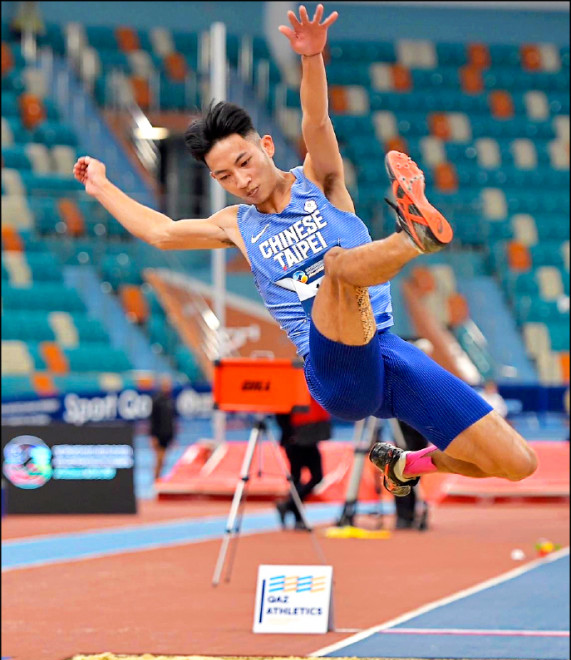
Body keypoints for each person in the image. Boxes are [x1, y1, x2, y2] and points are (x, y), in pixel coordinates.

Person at [73, 4, 537, 500]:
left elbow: (316, 119)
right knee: (337, 269)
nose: (242, 182)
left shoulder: (320, 181)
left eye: (245, 163)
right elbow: (162, 232)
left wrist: (312, 58)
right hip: (335, 371)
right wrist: (101, 187)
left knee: (516, 463)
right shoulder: (236, 225)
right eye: (224, 177)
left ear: (267, 145)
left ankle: (406, 464)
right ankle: (411, 237)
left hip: (389, 353)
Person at [275, 395, 331, 529]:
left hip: (309, 437)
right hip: (295, 439)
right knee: (296, 478)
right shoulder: (291, 391)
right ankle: (297, 516)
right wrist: (289, 433)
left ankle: (288, 506)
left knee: (317, 476)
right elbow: (280, 413)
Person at [150, 375, 175, 481]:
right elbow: (153, 420)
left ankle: (158, 477)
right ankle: (156, 478)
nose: (167, 387)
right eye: (165, 385)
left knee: (163, 460)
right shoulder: (157, 400)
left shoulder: (170, 401)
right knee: (159, 459)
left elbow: (171, 420)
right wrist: (153, 436)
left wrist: (172, 436)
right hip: (159, 435)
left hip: (167, 435)